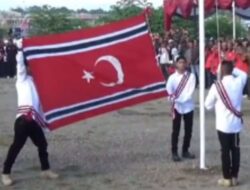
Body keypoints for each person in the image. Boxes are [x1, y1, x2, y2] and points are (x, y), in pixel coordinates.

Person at [1, 39, 59, 186]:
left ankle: (45, 170)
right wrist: (20, 50)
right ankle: (5, 173)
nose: (30, 69)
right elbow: (20, 65)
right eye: (29, 67)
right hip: (22, 120)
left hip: (34, 121)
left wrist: (46, 123)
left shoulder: (38, 84)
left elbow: (41, 106)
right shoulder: (22, 80)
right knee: (16, 146)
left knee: (42, 144)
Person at [205, 60, 247, 187]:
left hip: (223, 125)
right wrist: (232, 68)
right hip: (235, 125)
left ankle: (226, 178)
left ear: (222, 71)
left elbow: (207, 105)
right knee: (235, 150)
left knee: (225, 151)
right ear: (232, 70)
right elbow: (244, 74)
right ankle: (234, 176)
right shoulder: (239, 81)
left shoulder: (216, 86)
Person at [166, 56, 196, 162]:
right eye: (180, 62)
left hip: (188, 106)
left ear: (186, 64)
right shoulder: (172, 78)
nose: (182, 64)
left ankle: (185, 150)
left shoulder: (191, 76)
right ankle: (174, 152)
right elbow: (168, 91)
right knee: (176, 130)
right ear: (176, 64)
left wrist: (179, 99)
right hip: (176, 107)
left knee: (188, 130)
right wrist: (175, 100)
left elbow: (190, 91)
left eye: (184, 62)